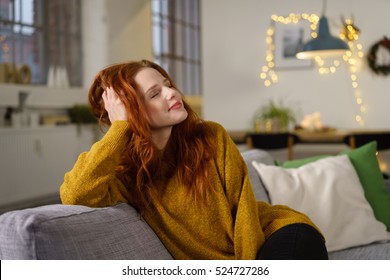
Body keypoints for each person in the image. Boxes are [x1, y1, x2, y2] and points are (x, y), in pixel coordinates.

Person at [60, 59, 328, 260]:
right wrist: (120, 128)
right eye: (155, 94)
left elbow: (243, 213)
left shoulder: (211, 136)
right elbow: (76, 193)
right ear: (131, 111)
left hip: (274, 234)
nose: (172, 93)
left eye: (168, 85)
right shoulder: (124, 173)